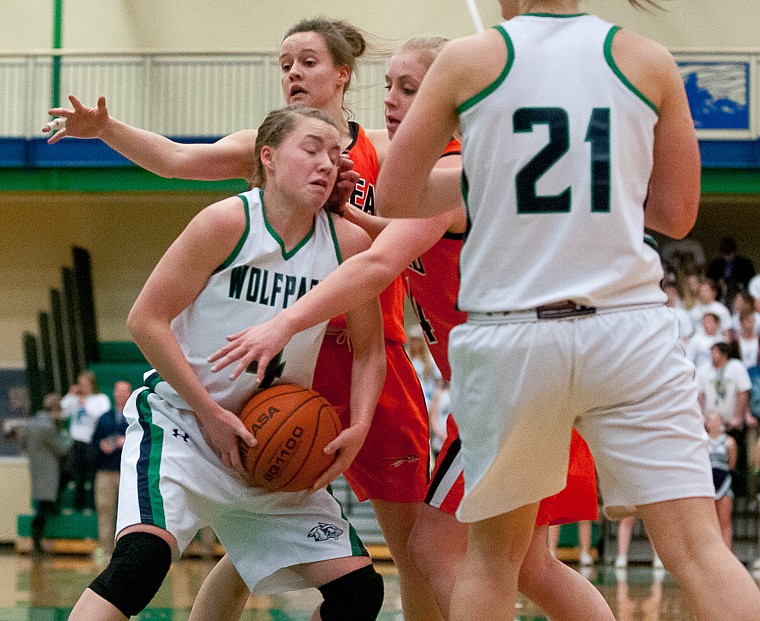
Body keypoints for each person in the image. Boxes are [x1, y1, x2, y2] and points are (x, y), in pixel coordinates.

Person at [375, 1, 760, 619]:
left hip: (513, 336)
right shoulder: (648, 59)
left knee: (492, 559)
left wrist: (495, 171)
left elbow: (395, 195)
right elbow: (675, 214)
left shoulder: (469, 58)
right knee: (700, 551)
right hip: (627, 327)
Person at [208, 36, 613, 621]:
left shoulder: (451, 170)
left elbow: (377, 263)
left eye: (411, 89)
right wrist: (352, 214)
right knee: (531, 565)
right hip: (537, 372)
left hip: (509, 377)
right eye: (391, 85)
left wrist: (286, 321)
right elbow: (397, 238)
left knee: (432, 543)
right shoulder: (441, 177)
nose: (393, 100)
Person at [44, 19, 438, 620]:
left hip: (348, 356)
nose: (293, 75)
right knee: (175, 554)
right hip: (266, 379)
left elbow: (421, 233)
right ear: (270, 158)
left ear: (342, 74)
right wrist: (108, 130)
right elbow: (178, 160)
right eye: (285, 65)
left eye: (307, 62)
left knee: (401, 549)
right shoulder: (257, 167)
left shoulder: (392, 155)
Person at [67, 105, 386, 621]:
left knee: (359, 594)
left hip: (266, 446)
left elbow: (371, 349)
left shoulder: (347, 243)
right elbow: (146, 320)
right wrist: (211, 415)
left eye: (334, 154)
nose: (327, 163)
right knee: (141, 563)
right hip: (185, 424)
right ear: (268, 158)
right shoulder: (227, 222)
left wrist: (361, 425)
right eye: (310, 149)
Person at [4, 393, 72, 555]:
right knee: (42, 507)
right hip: (49, 469)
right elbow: (60, 449)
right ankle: (36, 543)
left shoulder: (30, 423)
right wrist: (69, 442)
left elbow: (23, 445)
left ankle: (39, 538)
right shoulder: (48, 426)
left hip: (36, 468)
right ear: (55, 410)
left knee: (42, 503)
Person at [90, 380, 132, 559]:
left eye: (125, 391)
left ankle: (125, 551)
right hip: (105, 471)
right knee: (105, 509)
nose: (121, 394)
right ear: (114, 393)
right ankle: (105, 548)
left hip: (127, 472)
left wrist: (127, 442)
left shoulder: (136, 416)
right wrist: (102, 445)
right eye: (118, 391)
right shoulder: (104, 417)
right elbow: (94, 441)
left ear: (130, 394)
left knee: (128, 513)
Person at [60, 370, 111, 511]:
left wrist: (86, 406)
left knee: (91, 476)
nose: (83, 387)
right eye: (80, 384)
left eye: (85, 384)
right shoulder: (75, 398)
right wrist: (70, 395)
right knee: (77, 476)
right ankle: (78, 506)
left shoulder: (100, 399)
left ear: (92, 384)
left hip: (91, 442)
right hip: (76, 442)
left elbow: (102, 418)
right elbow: (62, 412)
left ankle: (92, 506)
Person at [705, 412, 737, 549]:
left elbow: (732, 464)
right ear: (706, 423)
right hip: (706, 484)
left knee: (725, 522)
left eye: (717, 420)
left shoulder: (729, 442)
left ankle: (728, 554)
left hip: (724, 483)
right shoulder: (702, 440)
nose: (714, 423)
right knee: (708, 524)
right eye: (711, 420)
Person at [707, 236, 756, 308]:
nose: (728, 256)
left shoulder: (745, 264)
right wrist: (718, 283)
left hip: (739, 294)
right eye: (725, 253)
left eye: (730, 253)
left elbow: (751, 282)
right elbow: (709, 280)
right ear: (721, 252)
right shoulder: (715, 264)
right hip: (719, 296)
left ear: (735, 251)